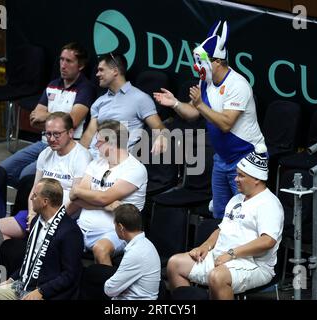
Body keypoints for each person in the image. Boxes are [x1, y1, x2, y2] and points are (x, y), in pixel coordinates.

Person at [153, 21, 266, 219]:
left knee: (244, 217)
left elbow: (225, 124)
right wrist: (175, 104)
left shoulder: (237, 85)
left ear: (217, 61)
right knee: (221, 215)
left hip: (246, 158)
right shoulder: (205, 82)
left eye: (201, 61)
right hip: (222, 159)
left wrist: (200, 105)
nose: (197, 66)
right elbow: (193, 113)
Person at [166, 148, 283, 300]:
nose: (235, 179)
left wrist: (231, 254)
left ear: (256, 179)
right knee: (174, 264)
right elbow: (222, 229)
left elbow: (267, 241)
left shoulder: (269, 203)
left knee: (217, 277)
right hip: (220, 256)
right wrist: (205, 246)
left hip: (253, 264)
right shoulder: (237, 199)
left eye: (241, 176)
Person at [0, 42, 96, 187]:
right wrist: (53, 119)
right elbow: (34, 119)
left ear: (80, 66)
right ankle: (30, 195)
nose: (63, 65)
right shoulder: (52, 84)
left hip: (65, 146)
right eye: (61, 59)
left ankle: (35, 196)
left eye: (69, 61)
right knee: (3, 169)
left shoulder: (86, 88)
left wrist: (45, 116)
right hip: (42, 143)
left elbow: (72, 120)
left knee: (27, 175)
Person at [0, 178, 84, 300]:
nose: (31, 198)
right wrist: (11, 279)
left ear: (45, 201)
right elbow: (30, 262)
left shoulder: (70, 232)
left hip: (50, 293)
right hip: (23, 285)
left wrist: (41, 291)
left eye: (35, 195)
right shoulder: (36, 222)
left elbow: (70, 275)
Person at [0, 112, 91, 239]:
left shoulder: (81, 157)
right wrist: (31, 215)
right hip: (39, 216)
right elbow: (35, 189)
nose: (52, 139)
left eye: (57, 134)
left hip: (64, 219)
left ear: (70, 133)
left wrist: (52, 219)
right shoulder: (45, 153)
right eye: (48, 134)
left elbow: (77, 200)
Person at [70, 120, 147, 266]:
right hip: (82, 227)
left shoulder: (135, 169)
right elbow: (77, 198)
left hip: (117, 232)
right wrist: (104, 205)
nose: (95, 146)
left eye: (99, 142)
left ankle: (107, 289)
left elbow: (103, 197)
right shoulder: (96, 163)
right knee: (54, 238)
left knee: (101, 249)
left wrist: (79, 191)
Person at [79, 53, 167, 158]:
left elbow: (160, 129)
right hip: (92, 159)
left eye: (101, 70)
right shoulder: (99, 101)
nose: (97, 74)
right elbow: (89, 134)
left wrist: (162, 137)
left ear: (115, 71)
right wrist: (76, 157)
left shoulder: (140, 98)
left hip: (118, 162)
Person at [104, 204, 161, 300]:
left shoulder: (136, 252)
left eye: (114, 224)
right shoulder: (146, 244)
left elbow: (110, 290)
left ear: (120, 227)